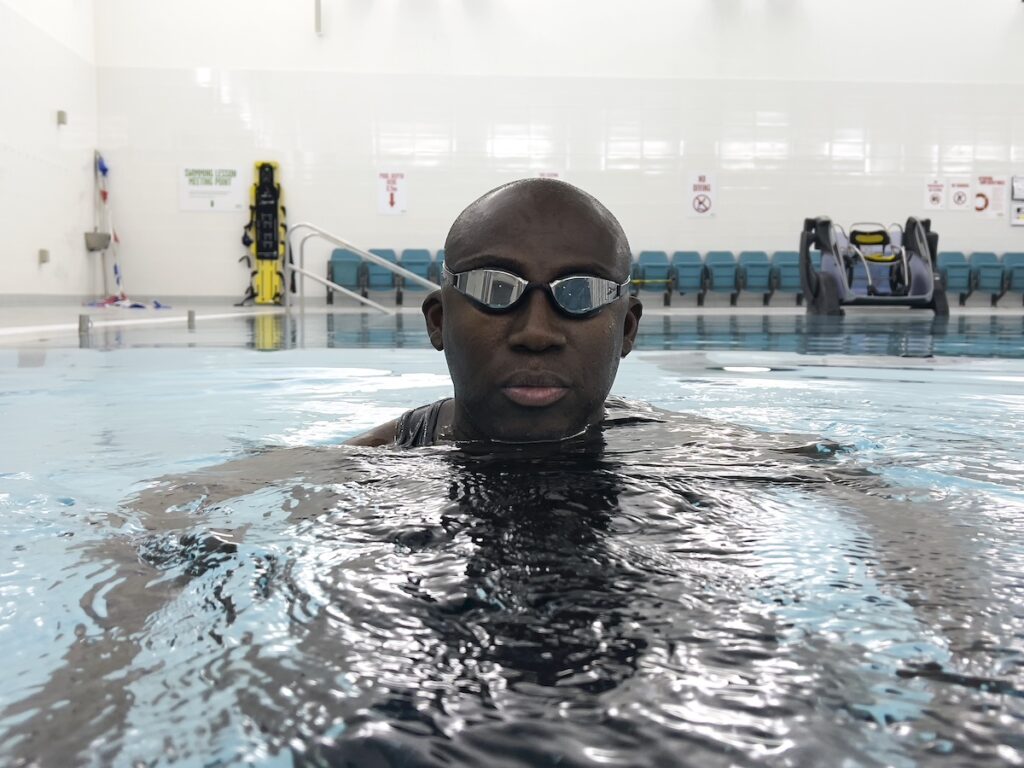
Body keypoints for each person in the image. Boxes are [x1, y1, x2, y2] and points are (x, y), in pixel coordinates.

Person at [348, 177, 644, 446]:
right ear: (439, 320)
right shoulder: (359, 472)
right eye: (494, 288)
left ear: (627, 329)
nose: (536, 334)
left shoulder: (684, 453)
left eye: (582, 293)